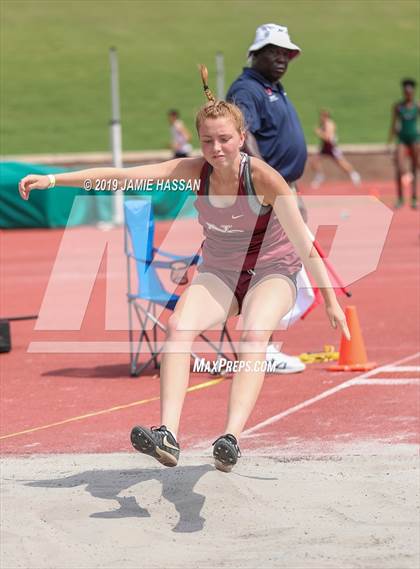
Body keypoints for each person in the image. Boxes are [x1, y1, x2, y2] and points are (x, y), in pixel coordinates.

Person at [18, 65, 350, 473]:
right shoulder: (193, 172)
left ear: (242, 138)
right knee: (177, 326)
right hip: (221, 273)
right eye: (208, 141)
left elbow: (306, 245)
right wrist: (52, 181)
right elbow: (121, 177)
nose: (217, 148)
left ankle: (230, 438)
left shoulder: (264, 178)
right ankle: (168, 436)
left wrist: (331, 302)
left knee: (253, 333)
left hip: (272, 270)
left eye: (226, 139)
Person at [226, 23, 309, 374]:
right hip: (268, 192)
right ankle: (263, 346)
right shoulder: (248, 90)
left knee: (289, 268)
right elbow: (242, 137)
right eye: (273, 51)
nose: (281, 58)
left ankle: (263, 344)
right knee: (274, 270)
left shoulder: (272, 87)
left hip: (284, 188)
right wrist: (266, 182)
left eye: (286, 53)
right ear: (255, 54)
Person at [388, 78, 419, 209]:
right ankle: (400, 198)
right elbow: (394, 123)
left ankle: (414, 198)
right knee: (400, 167)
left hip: (414, 139)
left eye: (410, 92)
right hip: (402, 139)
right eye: (406, 92)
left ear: (413, 93)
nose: (408, 94)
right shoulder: (398, 106)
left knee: (415, 167)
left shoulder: (417, 106)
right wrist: (389, 141)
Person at [311, 109, 361, 188]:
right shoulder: (323, 124)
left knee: (341, 163)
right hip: (324, 147)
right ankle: (319, 176)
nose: (320, 118)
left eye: (322, 116)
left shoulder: (329, 124)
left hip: (331, 147)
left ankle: (354, 174)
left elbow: (327, 138)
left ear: (325, 116)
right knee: (314, 162)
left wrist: (319, 133)